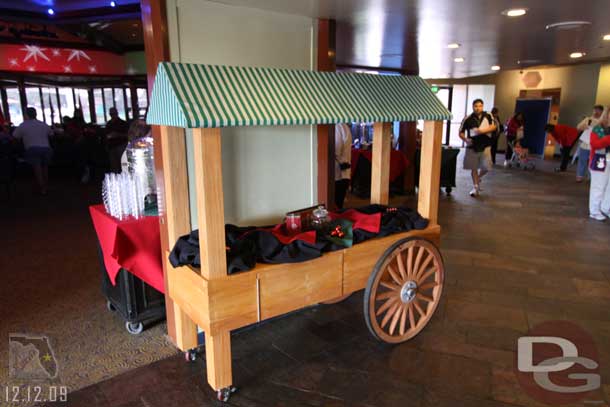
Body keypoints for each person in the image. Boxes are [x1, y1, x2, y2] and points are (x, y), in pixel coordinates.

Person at [459, 99, 497, 197]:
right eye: (476, 106)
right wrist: (466, 139)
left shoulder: (488, 115)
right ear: (473, 107)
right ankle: (475, 188)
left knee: (487, 167)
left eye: (480, 106)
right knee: (474, 168)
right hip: (472, 146)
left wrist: (481, 131)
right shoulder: (468, 118)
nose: (478, 108)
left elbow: (494, 127)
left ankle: (478, 178)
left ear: (483, 106)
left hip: (486, 145)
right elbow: (461, 132)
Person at [13, 107, 53, 194]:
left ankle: (42, 188)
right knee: (45, 167)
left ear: (26, 115)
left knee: (37, 168)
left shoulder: (23, 125)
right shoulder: (43, 124)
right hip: (46, 149)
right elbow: (51, 134)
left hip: (32, 149)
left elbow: (15, 136)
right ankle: (46, 186)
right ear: (36, 114)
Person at [587, 107, 610, 221]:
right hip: (599, 160)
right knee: (598, 187)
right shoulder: (597, 129)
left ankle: (605, 208)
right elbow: (595, 144)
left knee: (609, 188)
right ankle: (595, 211)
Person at [575, 105, 606, 182]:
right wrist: (583, 126)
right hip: (585, 143)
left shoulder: (603, 121)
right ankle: (579, 176)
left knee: (593, 161)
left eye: (598, 110)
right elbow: (578, 128)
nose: (596, 112)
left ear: (602, 112)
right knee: (582, 160)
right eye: (594, 110)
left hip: (596, 144)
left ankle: (591, 177)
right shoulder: (588, 119)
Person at [105, 107, 129, 173]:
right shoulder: (108, 124)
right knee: (114, 166)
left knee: (123, 164)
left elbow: (128, 135)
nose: (112, 115)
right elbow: (106, 135)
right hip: (112, 147)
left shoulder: (123, 123)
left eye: (114, 113)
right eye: (111, 113)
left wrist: (118, 135)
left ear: (117, 113)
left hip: (121, 146)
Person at [334, 122, 352, 209]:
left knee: (336, 205)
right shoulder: (344, 126)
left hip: (338, 173)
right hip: (344, 172)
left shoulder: (337, 126)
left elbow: (336, 151)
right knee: (339, 204)